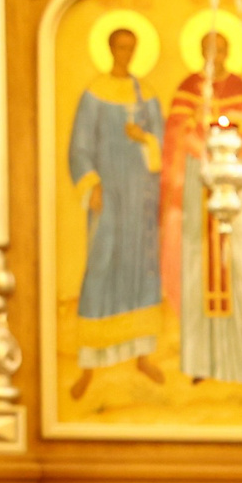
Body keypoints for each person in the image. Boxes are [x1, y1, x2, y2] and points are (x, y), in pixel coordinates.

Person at [159, 27, 242, 387]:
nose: (215, 56)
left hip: (236, 180)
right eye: (208, 49)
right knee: (197, 263)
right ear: (199, 52)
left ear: (228, 52)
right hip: (198, 181)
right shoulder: (188, 87)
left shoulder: (241, 87)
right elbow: (176, 133)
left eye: (220, 49)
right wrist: (198, 143)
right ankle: (200, 361)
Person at [67, 26, 168, 397]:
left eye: (131, 47)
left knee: (141, 267)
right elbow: (79, 147)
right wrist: (92, 184)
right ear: (110, 49)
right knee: (102, 264)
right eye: (120, 47)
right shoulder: (94, 93)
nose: (126, 53)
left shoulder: (147, 94)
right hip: (109, 193)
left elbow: (164, 143)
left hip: (141, 195)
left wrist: (145, 139)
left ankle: (142, 356)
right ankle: (88, 366)